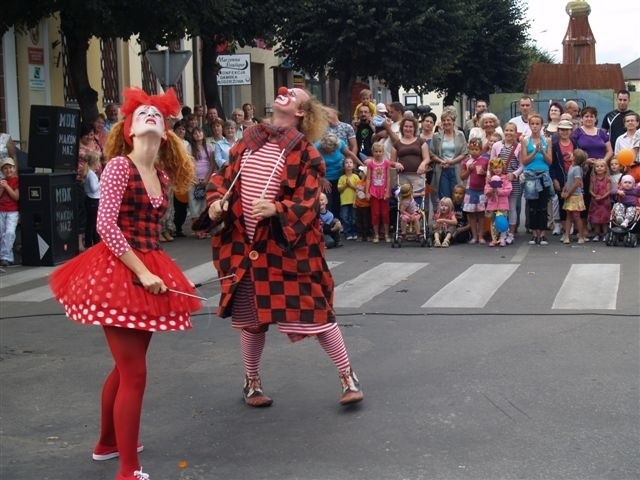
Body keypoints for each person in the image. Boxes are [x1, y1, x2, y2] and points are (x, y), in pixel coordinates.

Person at [49, 87, 200, 480]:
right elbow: (105, 226)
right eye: (141, 113)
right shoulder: (118, 167)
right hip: (119, 271)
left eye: (156, 114)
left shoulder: (162, 175)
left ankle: (106, 444)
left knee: (124, 368)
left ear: (165, 131)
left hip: (147, 270)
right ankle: (128, 470)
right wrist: (143, 272)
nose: (149, 115)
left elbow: (152, 229)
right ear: (129, 130)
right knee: (134, 373)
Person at [205, 86, 363, 407]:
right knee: (252, 319)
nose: (283, 92)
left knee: (318, 313)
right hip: (248, 246)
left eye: (293, 93)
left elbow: (309, 196)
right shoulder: (248, 141)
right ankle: (252, 382)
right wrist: (215, 202)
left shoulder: (306, 152)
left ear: (301, 112)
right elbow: (223, 177)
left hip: (287, 248)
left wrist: (278, 209)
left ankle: (347, 377)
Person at [521, 113, 553, 245]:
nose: (535, 126)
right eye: (532, 124)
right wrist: (534, 151)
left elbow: (550, 161)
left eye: (537, 124)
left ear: (541, 125)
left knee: (543, 205)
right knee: (532, 206)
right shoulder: (525, 141)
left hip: (543, 175)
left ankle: (543, 233)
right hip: (531, 175)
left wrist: (542, 151)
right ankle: (534, 233)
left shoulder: (547, 140)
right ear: (529, 125)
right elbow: (524, 161)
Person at [316, 132, 361, 218]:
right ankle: (328, 224)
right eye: (330, 151)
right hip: (325, 178)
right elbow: (310, 166)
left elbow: (349, 154)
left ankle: (339, 223)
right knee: (327, 202)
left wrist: (362, 165)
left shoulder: (339, 143)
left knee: (339, 201)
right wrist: (321, 178)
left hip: (340, 177)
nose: (332, 153)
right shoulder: (316, 148)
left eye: (334, 150)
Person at [491, 122, 522, 244]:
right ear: (503, 131)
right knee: (498, 207)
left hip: (512, 181)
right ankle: (499, 232)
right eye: (507, 130)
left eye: (511, 130)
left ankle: (511, 233)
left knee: (512, 207)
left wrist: (514, 174)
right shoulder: (496, 146)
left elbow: (522, 165)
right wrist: (490, 176)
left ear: (515, 132)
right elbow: (491, 162)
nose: (509, 133)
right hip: (498, 181)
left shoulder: (519, 147)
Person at [390, 117, 430, 208]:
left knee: (417, 200)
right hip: (403, 177)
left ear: (414, 128)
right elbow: (391, 162)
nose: (408, 129)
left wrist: (423, 164)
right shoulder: (397, 144)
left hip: (418, 177)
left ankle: (417, 218)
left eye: (411, 127)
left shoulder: (421, 141)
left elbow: (427, 158)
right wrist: (396, 164)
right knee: (405, 200)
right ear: (402, 128)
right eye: (406, 126)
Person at [430, 107, 468, 201]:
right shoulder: (436, 136)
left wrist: (451, 162)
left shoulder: (460, 135)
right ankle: (445, 215)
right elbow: (431, 153)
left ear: (453, 121)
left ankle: (456, 215)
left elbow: (464, 153)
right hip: (442, 169)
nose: (446, 122)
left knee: (457, 196)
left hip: (456, 169)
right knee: (444, 197)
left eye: (448, 120)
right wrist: (442, 161)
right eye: (443, 120)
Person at [550, 119, 578, 237]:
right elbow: (552, 164)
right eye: (562, 130)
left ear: (571, 131)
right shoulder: (554, 145)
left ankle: (570, 226)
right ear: (558, 131)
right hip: (560, 177)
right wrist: (554, 179)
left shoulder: (575, 143)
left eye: (567, 130)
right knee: (561, 202)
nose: (565, 132)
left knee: (573, 202)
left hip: (573, 176)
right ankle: (561, 227)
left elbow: (579, 159)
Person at [187, 126, 215, 239]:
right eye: (195, 133)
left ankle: (204, 229)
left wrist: (207, 179)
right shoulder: (189, 147)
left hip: (205, 180)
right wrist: (194, 178)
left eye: (200, 132)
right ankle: (197, 230)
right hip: (193, 180)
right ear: (192, 136)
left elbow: (212, 164)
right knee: (194, 206)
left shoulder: (209, 147)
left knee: (204, 206)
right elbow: (188, 164)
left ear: (203, 134)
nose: (198, 134)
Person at [460, 138, 489, 244]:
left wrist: (484, 173)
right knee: (471, 214)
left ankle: (481, 235)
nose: (474, 151)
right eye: (472, 149)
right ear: (469, 149)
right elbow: (462, 177)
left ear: (481, 150)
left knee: (481, 213)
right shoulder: (466, 161)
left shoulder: (485, 160)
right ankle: (474, 236)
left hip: (481, 190)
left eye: (476, 149)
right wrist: (469, 170)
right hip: (469, 190)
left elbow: (490, 174)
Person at [366, 142, 393, 243]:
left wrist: (387, 191)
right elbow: (368, 178)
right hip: (374, 191)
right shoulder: (370, 163)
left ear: (383, 152)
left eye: (380, 151)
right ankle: (376, 234)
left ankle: (386, 234)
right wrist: (367, 192)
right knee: (375, 214)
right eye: (376, 151)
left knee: (385, 214)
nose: (378, 153)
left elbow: (389, 178)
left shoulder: (386, 163)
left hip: (384, 191)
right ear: (373, 152)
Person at [561, 148, 588, 244]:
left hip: (575, 195)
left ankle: (581, 236)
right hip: (570, 195)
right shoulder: (571, 167)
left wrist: (568, 193)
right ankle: (567, 235)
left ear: (575, 158)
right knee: (568, 215)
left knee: (576, 216)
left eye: (572, 154)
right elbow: (569, 180)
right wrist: (564, 188)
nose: (570, 154)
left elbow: (577, 182)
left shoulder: (577, 168)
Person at [484, 159, 512, 247]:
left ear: (502, 168)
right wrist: (491, 190)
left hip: (503, 204)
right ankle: (494, 239)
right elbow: (486, 191)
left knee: (502, 222)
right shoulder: (489, 180)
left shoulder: (506, 178)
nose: (497, 169)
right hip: (492, 205)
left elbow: (508, 190)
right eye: (495, 168)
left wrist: (498, 191)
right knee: (493, 222)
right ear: (492, 169)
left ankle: (502, 238)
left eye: (499, 167)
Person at [0, 157, 19, 267]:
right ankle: (7, 257)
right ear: (2, 171)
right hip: (1, 210)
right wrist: (2, 187)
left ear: (14, 169)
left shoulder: (16, 181)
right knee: (2, 233)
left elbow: (16, 197)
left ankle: (5, 256)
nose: (8, 170)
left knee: (9, 233)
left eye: (10, 168)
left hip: (12, 211)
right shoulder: (1, 181)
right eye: (5, 168)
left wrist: (6, 186)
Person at [588, 158, 612, 241]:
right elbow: (590, 190)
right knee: (596, 219)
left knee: (604, 219)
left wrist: (601, 197)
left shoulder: (607, 179)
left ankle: (605, 234)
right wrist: (595, 196)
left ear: (606, 168)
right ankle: (597, 234)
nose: (599, 168)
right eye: (597, 166)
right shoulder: (593, 178)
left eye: (602, 166)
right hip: (595, 201)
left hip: (605, 202)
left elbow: (609, 191)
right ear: (594, 168)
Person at [337, 157, 359, 240]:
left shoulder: (356, 177)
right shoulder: (342, 178)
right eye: (346, 162)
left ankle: (354, 232)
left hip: (353, 200)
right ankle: (347, 233)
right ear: (344, 166)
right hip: (344, 201)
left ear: (353, 165)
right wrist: (345, 185)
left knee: (354, 218)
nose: (349, 164)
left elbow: (358, 189)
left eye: (351, 162)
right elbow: (339, 189)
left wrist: (351, 185)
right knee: (345, 217)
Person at [83, 151, 102, 248]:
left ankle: (90, 242)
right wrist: (102, 181)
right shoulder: (91, 175)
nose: (99, 164)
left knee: (91, 223)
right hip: (93, 201)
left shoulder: (91, 174)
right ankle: (94, 242)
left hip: (93, 200)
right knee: (93, 223)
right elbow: (94, 188)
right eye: (97, 162)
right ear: (94, 163)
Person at [354, 165, 371, 242]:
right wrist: (354, 201)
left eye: (361, 171)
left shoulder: (368, 183)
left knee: (366, 220)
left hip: (366, 205)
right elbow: (356, 192)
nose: (359, 173)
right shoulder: (358, 182)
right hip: (358, 204)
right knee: (359, 220)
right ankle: (360, 235)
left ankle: (367, 235)